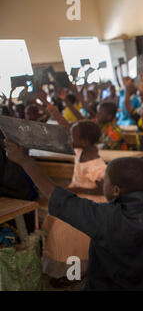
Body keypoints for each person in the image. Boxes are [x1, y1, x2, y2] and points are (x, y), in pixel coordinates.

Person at [4, 140, 143, 290]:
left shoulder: (102, 216)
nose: (103, 184)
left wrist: (26, 162)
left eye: (105, 181)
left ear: (115, 190)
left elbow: (57, 197)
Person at [40, 120, 107, 287]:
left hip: (90, 203)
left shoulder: (96, 164)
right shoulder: (81, 151)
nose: (70, 139)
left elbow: (103, 190)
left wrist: (77, 188)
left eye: (73, 137)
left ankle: (76, 274)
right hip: (78, 198)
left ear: (84, 141)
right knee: (70, 243)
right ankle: (75, 272)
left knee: (74, 243)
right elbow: (70, 127)